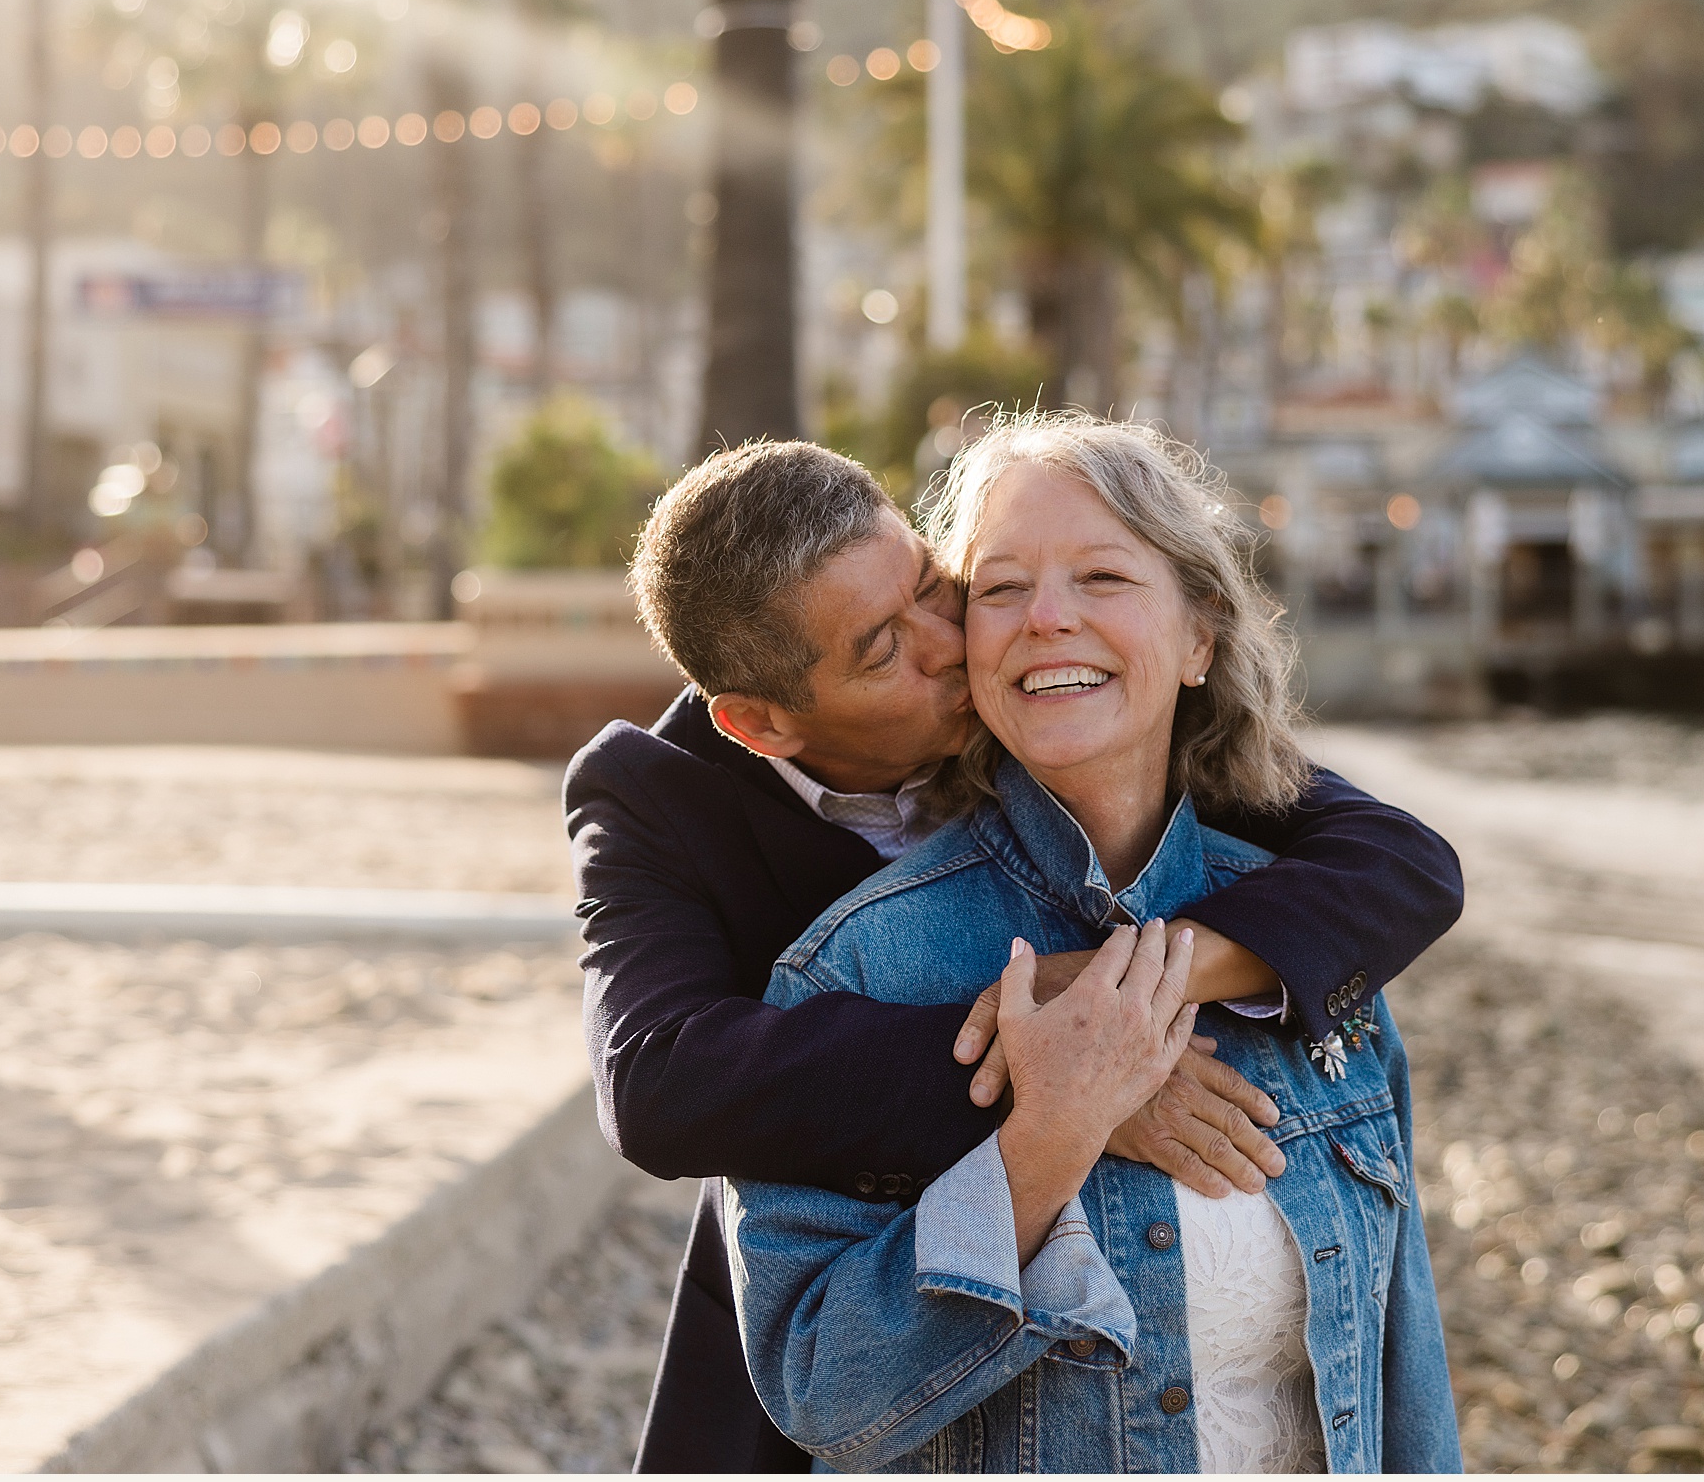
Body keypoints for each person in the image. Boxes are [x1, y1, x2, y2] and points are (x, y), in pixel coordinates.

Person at [566, 438, 1465, 1471]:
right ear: (763, 724)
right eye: (881, 651)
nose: (949, 644)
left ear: (1197, 639)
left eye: (935, 588)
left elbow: (1404, 862)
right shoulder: (679, 811)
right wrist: (1064, 1079)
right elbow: (659, 1082)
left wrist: (1141, 984)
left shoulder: (1210, 826)